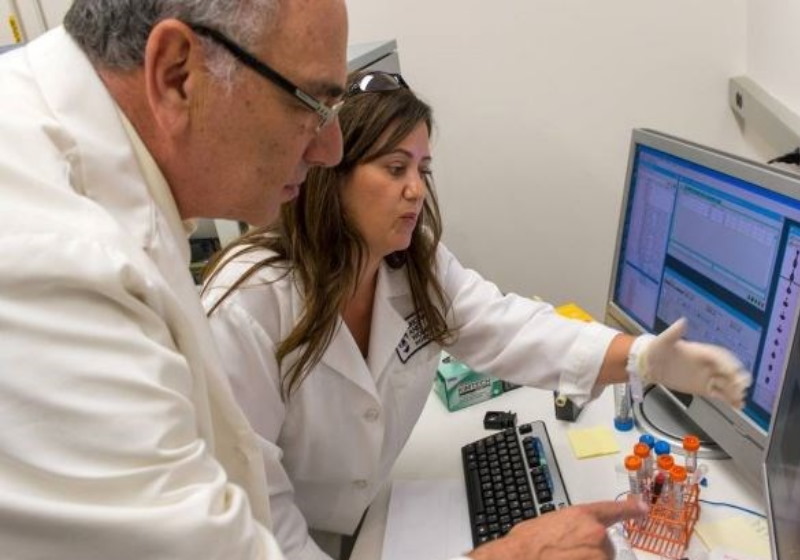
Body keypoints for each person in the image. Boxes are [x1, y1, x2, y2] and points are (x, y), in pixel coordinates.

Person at [201, 72, 752, 560]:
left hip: (366, 524)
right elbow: (254, 528)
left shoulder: (411, 265)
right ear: (330, 173)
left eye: (423, 169)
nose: (415, 189)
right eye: (394, 167)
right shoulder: (248, 307)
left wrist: (643, 358)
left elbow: (506, 327)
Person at [0, 0, 348, 558]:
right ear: (177, 75)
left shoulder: (109, 185)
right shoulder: (45, 249)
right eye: (313, 104)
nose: (330, 150)